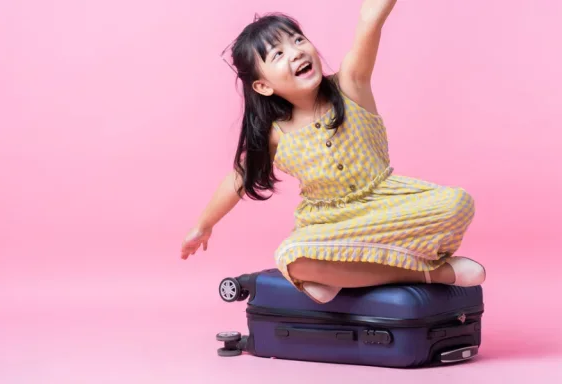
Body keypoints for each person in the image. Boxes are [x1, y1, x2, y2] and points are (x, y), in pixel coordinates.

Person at [181, 0, 486, 304]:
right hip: (330, 226)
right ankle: (431, 273)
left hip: (387, 210)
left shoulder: (351, 85)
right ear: (262, 86)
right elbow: (239, 177)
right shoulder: (277, 132)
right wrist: (203, 225)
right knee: (291, 256)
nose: (297, 52)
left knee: (456, 203)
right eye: (279, 54)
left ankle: (337, 273)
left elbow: (370, 22)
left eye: (298, 40)